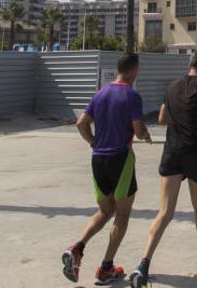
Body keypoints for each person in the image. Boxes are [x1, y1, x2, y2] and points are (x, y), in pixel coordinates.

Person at [129, 48, 197, 287]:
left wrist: (179, 121)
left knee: (165, 212)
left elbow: (161, 118)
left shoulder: (172, 86)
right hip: (195, 154)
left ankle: (144, 263)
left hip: (171, 153)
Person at [62, 53, 151, 285]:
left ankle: (77, 247)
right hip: (120, 158)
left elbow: (80, 123)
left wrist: (93, 141)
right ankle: (106, 268)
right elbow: (139, 131)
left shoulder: (100, 93)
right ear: (133, 70)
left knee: (105, 210)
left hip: (98, 158)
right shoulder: (131, 95)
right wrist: (145, 133)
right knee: (122, 214)